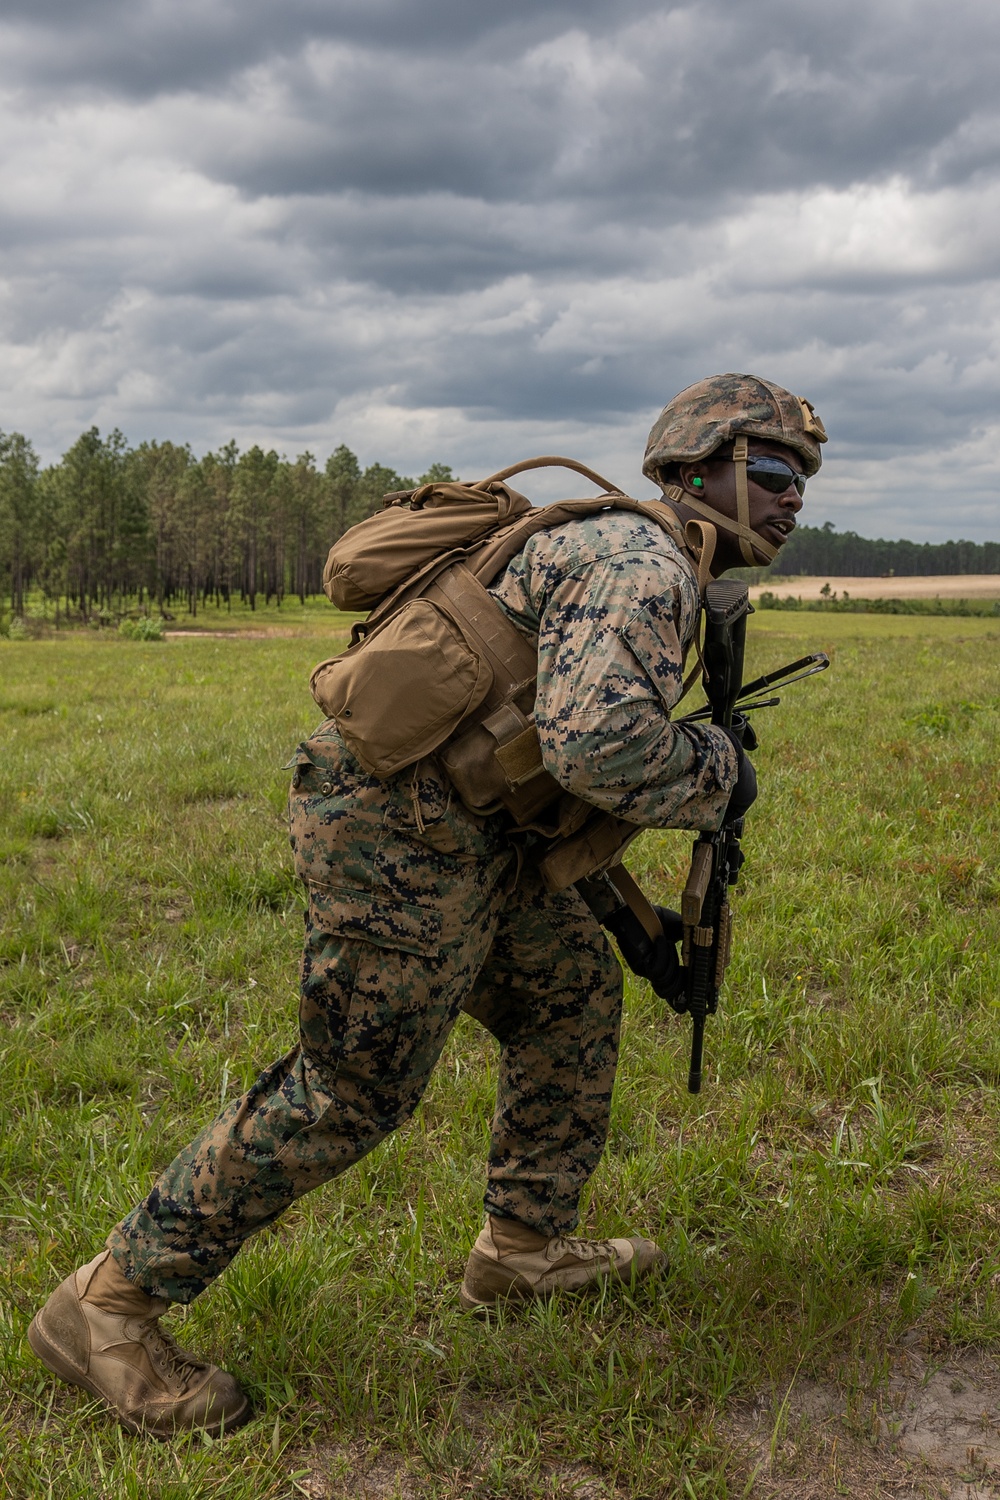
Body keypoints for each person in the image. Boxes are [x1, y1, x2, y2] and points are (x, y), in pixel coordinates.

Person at [28, 373, 826, 1438]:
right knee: (353, 1084)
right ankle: (108, 1304)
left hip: (466, 826)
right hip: (393, 827)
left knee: (570, 992)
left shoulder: (637, 555)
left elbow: (545, 752)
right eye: (769, 471)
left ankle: (521, 1250)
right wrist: (721, 773)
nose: (790, 498)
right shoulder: (641, 563)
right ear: (696, 471)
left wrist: (628, 901)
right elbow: (603, 746)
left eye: (801, 480)